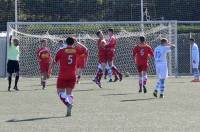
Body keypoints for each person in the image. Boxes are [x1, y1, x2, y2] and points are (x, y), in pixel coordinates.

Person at [54, 37, 84, 116]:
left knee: (60, 92)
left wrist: (50, 70)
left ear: (66, 43)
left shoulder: (61, 51)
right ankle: (69, 108)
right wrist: (77, 43)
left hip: (63, 74)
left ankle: (68, 104)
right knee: (69, 93)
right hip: (73, 75)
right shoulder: (76, 50)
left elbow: (55, 61)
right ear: (73, 43)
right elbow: (86, 50)